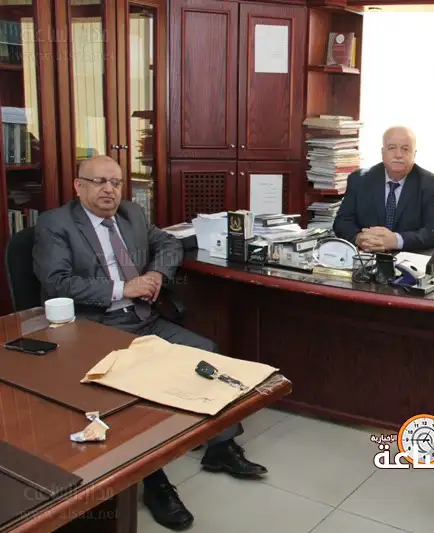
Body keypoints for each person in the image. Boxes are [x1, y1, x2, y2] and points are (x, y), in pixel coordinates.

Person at [32, 155, 268, 531]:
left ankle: (221, 447)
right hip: (96, 329)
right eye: (98, 182)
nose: (109, 190)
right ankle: (156, 485)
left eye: (115, 182)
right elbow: (57, 282)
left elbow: (170, 243)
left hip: (144, 319)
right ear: (78, 186)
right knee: (133, 399)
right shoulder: (55, 224)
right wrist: (122, 288)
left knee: (206, 352)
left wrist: (157, 272)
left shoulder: (132, 214)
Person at [333, 126, 434, 252]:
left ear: (414, 154)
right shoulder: (359, 180)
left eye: (405, 149)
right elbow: (341, 223)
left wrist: (396, 240)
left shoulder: (431, 184)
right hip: (367, 256)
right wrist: (359, 238)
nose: (398, 155)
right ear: (383, 152)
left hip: (409, 258)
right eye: (392, 148)